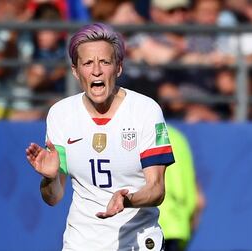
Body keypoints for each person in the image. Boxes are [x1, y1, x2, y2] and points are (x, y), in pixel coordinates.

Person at [26, 23, 175, 250]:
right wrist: (49, 178)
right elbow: (54, 197)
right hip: (81, 244)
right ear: (76, 71)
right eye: (87, 63)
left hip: (137, 243)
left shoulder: (145, 110)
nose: (96, 70)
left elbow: (157, 189)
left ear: (118, 68)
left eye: (105, 62)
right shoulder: (61, 114)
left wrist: (128, 200)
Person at [158, 125, 205, 251]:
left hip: (154, 225)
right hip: (178, 227)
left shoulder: (144, 134)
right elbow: (198, 197)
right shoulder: (178, 138)